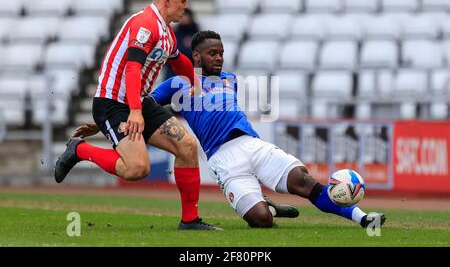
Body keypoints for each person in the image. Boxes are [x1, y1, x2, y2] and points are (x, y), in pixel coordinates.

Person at [74, 30, 386, 229]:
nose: (220, 57)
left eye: (221, 52)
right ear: (196, 57)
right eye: (213, 53)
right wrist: (104, 124)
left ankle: (362, 217)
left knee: (305, 181)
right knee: (260, 221)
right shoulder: (176, 84)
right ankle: (268, 208)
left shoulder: (231, 79)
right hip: (224, 161)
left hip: (252, 145)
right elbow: (142, 110)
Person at [54, 0, 220, 230]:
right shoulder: (146, 24)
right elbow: (132, 68)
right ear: (167, 0)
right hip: (114, 103)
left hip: (136, 101)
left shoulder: (166, 32)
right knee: (137, 169)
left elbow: (178, 61)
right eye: (183, 1)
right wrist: (134, 111)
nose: (185, 6)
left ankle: (190, 220)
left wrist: (196, 83)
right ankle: (79, 150)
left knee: (186, 146)